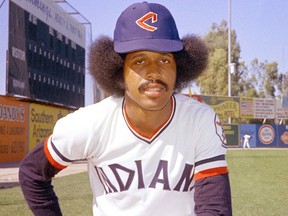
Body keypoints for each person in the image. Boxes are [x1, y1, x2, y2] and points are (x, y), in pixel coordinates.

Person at [19, 2, 232, 215]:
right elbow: (32, 172)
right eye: (140, 61)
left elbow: (214, 208)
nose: (154, 72)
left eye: (165, 59)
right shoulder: (91, 123)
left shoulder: (199, 120)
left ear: (180, 68)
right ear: (119, 71)